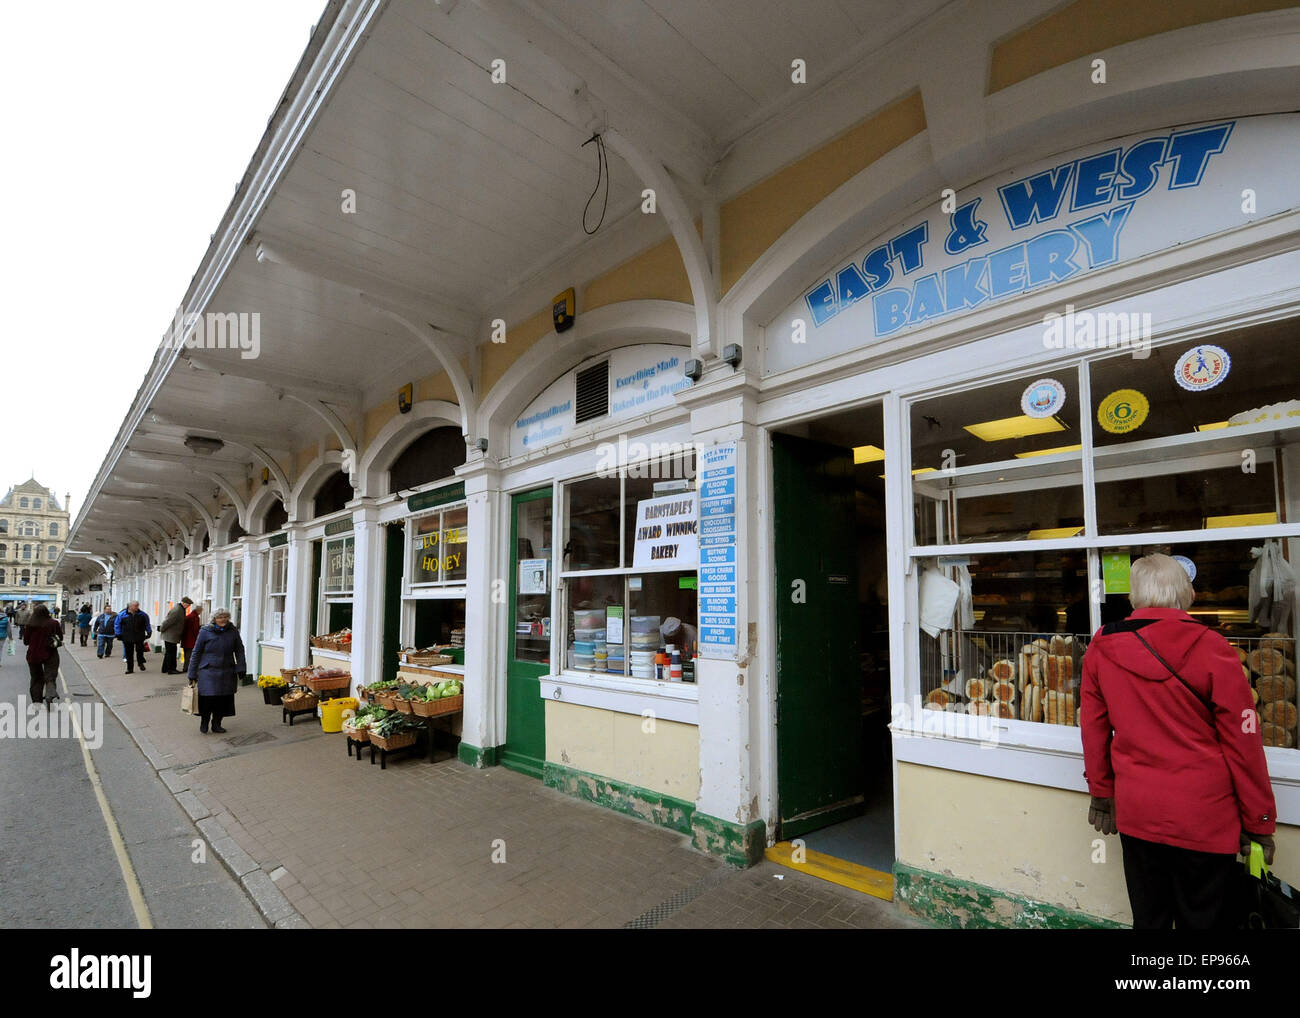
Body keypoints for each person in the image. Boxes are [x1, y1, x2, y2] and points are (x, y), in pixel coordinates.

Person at [1081, 553, 1276, 930]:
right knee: (1203, 920)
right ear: (1186, 593)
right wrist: (1259, 820)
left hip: (1138, 809)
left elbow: (1093, 726)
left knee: (1149, 919)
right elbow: (1244, 739)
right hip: (1204, 815)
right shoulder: (1213, 646)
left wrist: (1101, 792)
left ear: (1135, 596)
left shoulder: (1103, 644)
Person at [186, 607, 244, 734]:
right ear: (214, 619)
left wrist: (241, 667)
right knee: (208, 699)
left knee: (223, 699)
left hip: (227, 670)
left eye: (225, 617)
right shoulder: (205, 631)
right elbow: (196, 652)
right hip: (208, 671)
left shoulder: (233, 631)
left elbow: (239, 650)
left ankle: (217, 723)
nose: (223, 619)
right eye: (219, 617)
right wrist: (192, 672)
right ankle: (204, 721)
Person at [21, 604, 63, 708]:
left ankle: (37, 703)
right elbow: (60, 637)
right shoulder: (53, 623)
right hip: (50, 653)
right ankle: (49, 695)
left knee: (36, 678)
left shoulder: (30, 624)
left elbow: (26, 642)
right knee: (50, 677)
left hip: (33, 655)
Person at [114, 600, 152, 674]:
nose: (137, 607)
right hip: (127, 636)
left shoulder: (143, 615)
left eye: (138, 605)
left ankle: (140, 663)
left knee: (140, 650)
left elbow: (147, 623)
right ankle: (130, 668)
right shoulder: (122, 615)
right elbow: (117, 624)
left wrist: (149, 631)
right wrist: (118, 634)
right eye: (135, 606)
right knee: (129, 653)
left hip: (139, 635)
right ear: (130, 606)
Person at [158, 597, 191, 674]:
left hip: (171, 635)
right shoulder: (177, 610)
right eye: (188, 605)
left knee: (169, 652)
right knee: (171, 652)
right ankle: (171, 669)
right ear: (184, 603)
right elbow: (168, 621)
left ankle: (165, 668)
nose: (188, 606)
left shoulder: (180, 609)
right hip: (170, 635)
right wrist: (162, 629)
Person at [182, 604, 202, 671]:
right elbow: (195, 629)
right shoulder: (195, 618)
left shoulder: (188, 616)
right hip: (191, 639)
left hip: (185, 638)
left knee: (186, 654)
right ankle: (188, 668)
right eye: (201, 611)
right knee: (190, 655)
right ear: (198, 611)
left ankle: (185, 667)